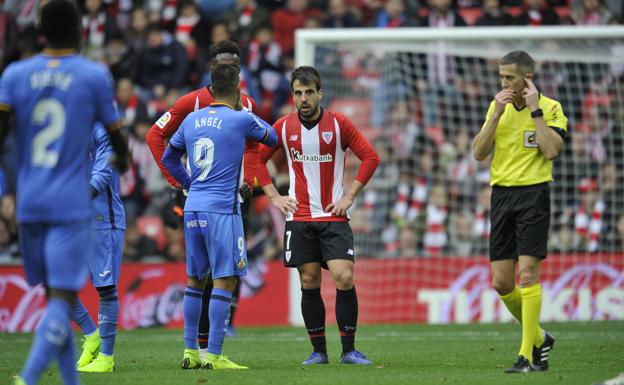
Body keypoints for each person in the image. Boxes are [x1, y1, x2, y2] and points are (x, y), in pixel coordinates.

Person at [0, 1, 128, 385]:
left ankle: (82, 363)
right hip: (73, 205)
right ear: (80, 32)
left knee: (56, 290)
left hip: (29, 202)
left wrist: (7, 191)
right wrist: (121, 161)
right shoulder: (92, 77)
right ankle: (31, 377)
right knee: (62, 296)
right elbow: (117, 148)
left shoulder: (14, 75)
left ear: (40, 32)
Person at [256, 66, 380, 365]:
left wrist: (350, 196)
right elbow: (255, 161)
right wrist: (274, 196)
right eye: (298, 93)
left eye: (309, 92)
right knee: (309, 280)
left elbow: (371, 157)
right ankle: (318, 352)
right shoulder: (282, 128)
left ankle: (349, 350)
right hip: (300, 218)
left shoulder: (339, 124)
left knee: (344, 276)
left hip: (334, 217)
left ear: (320, 93)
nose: (304, 98)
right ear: (293, 96)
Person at [161, 64, 277, 370]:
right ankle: (213, 355)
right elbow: (273, 137)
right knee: (224, 282)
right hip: (223, 209)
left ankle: (189, 352)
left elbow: (167, 157)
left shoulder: (191, 119)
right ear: (238, 88)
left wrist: (188, 184)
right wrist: (244, 110)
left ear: (210, 87)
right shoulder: (240, 118)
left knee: (194, 281)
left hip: (193, 208)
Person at [145, 39, 256, 356]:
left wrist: (250, 179)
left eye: (234, 63)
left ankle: (219, 330)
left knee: (229, 271)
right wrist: (177, 182)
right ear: (211, 67)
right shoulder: (190, 103)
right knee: (201, 274)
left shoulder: (246, 105)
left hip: (234, 199)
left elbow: (254, 147)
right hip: (197, 198)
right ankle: (202, 345)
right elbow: (155, 135)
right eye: (224, 63)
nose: (229, 68)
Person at [472, 50, 567, 373]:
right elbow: (479, 153)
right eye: (501, 77)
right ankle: (541, 336)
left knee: (527, 275)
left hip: (534, 195)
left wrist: (535, 111)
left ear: (527, 78)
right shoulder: (495, 107)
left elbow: (552, 150)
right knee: (501, 283)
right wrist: (496, 115)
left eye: (509, 77)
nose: (504, 83)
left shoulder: (551, 108)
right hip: (501, 197)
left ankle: (526, 355)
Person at [70, 123, 126, 373]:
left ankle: (106, 357)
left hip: (103, 221)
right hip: (71, 220)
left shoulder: (102, 131)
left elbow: (102, 175)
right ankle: (91, 334)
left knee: (106, 290)